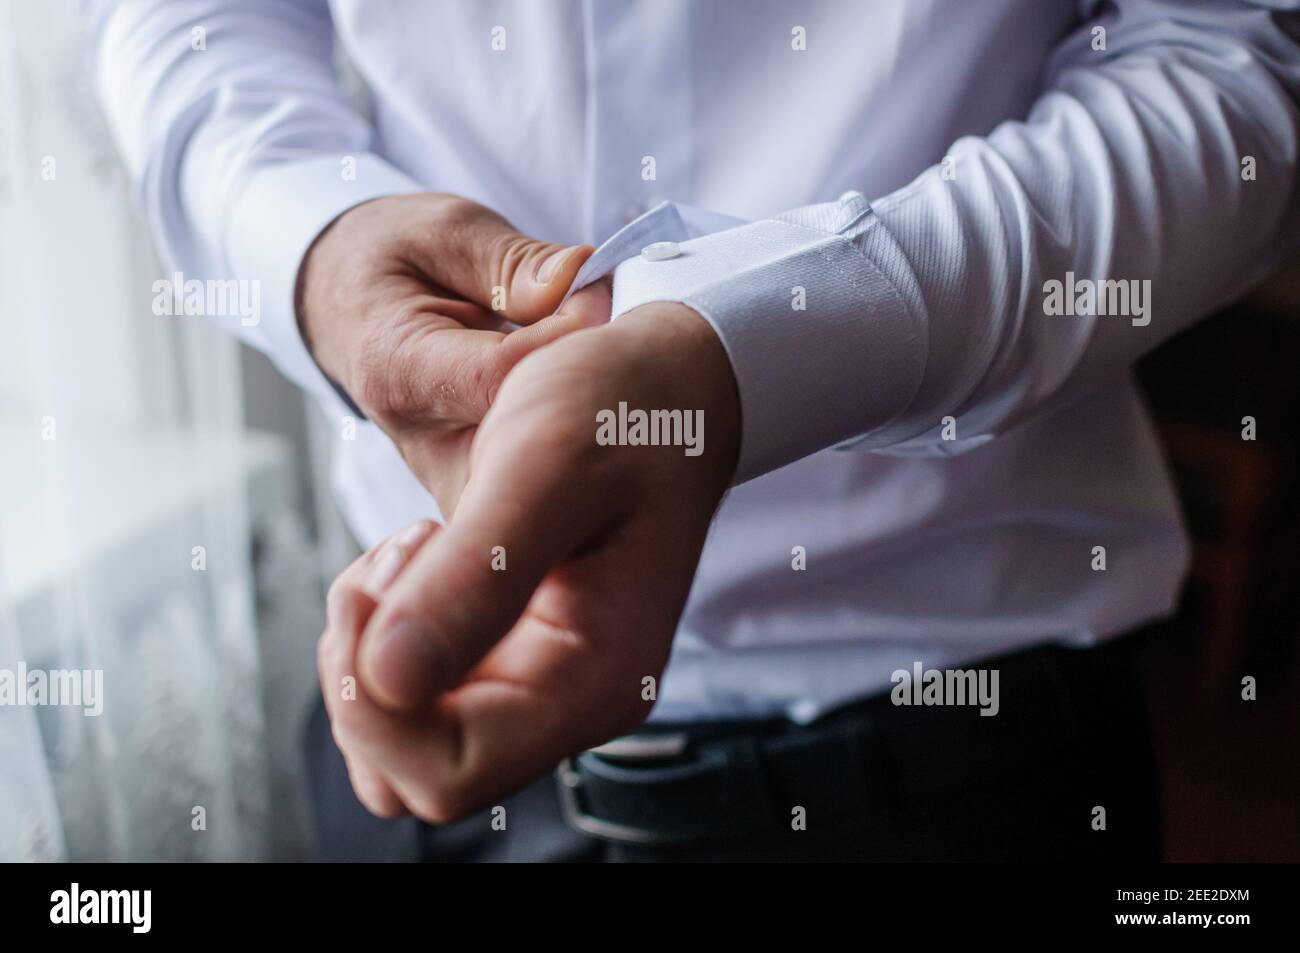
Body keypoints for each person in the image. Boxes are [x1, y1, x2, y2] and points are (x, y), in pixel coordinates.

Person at [92, 0, 1300, 861]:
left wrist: (749, 354)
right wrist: (313, 249)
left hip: (955, 756)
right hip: (410, 734)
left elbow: (1231, 57)